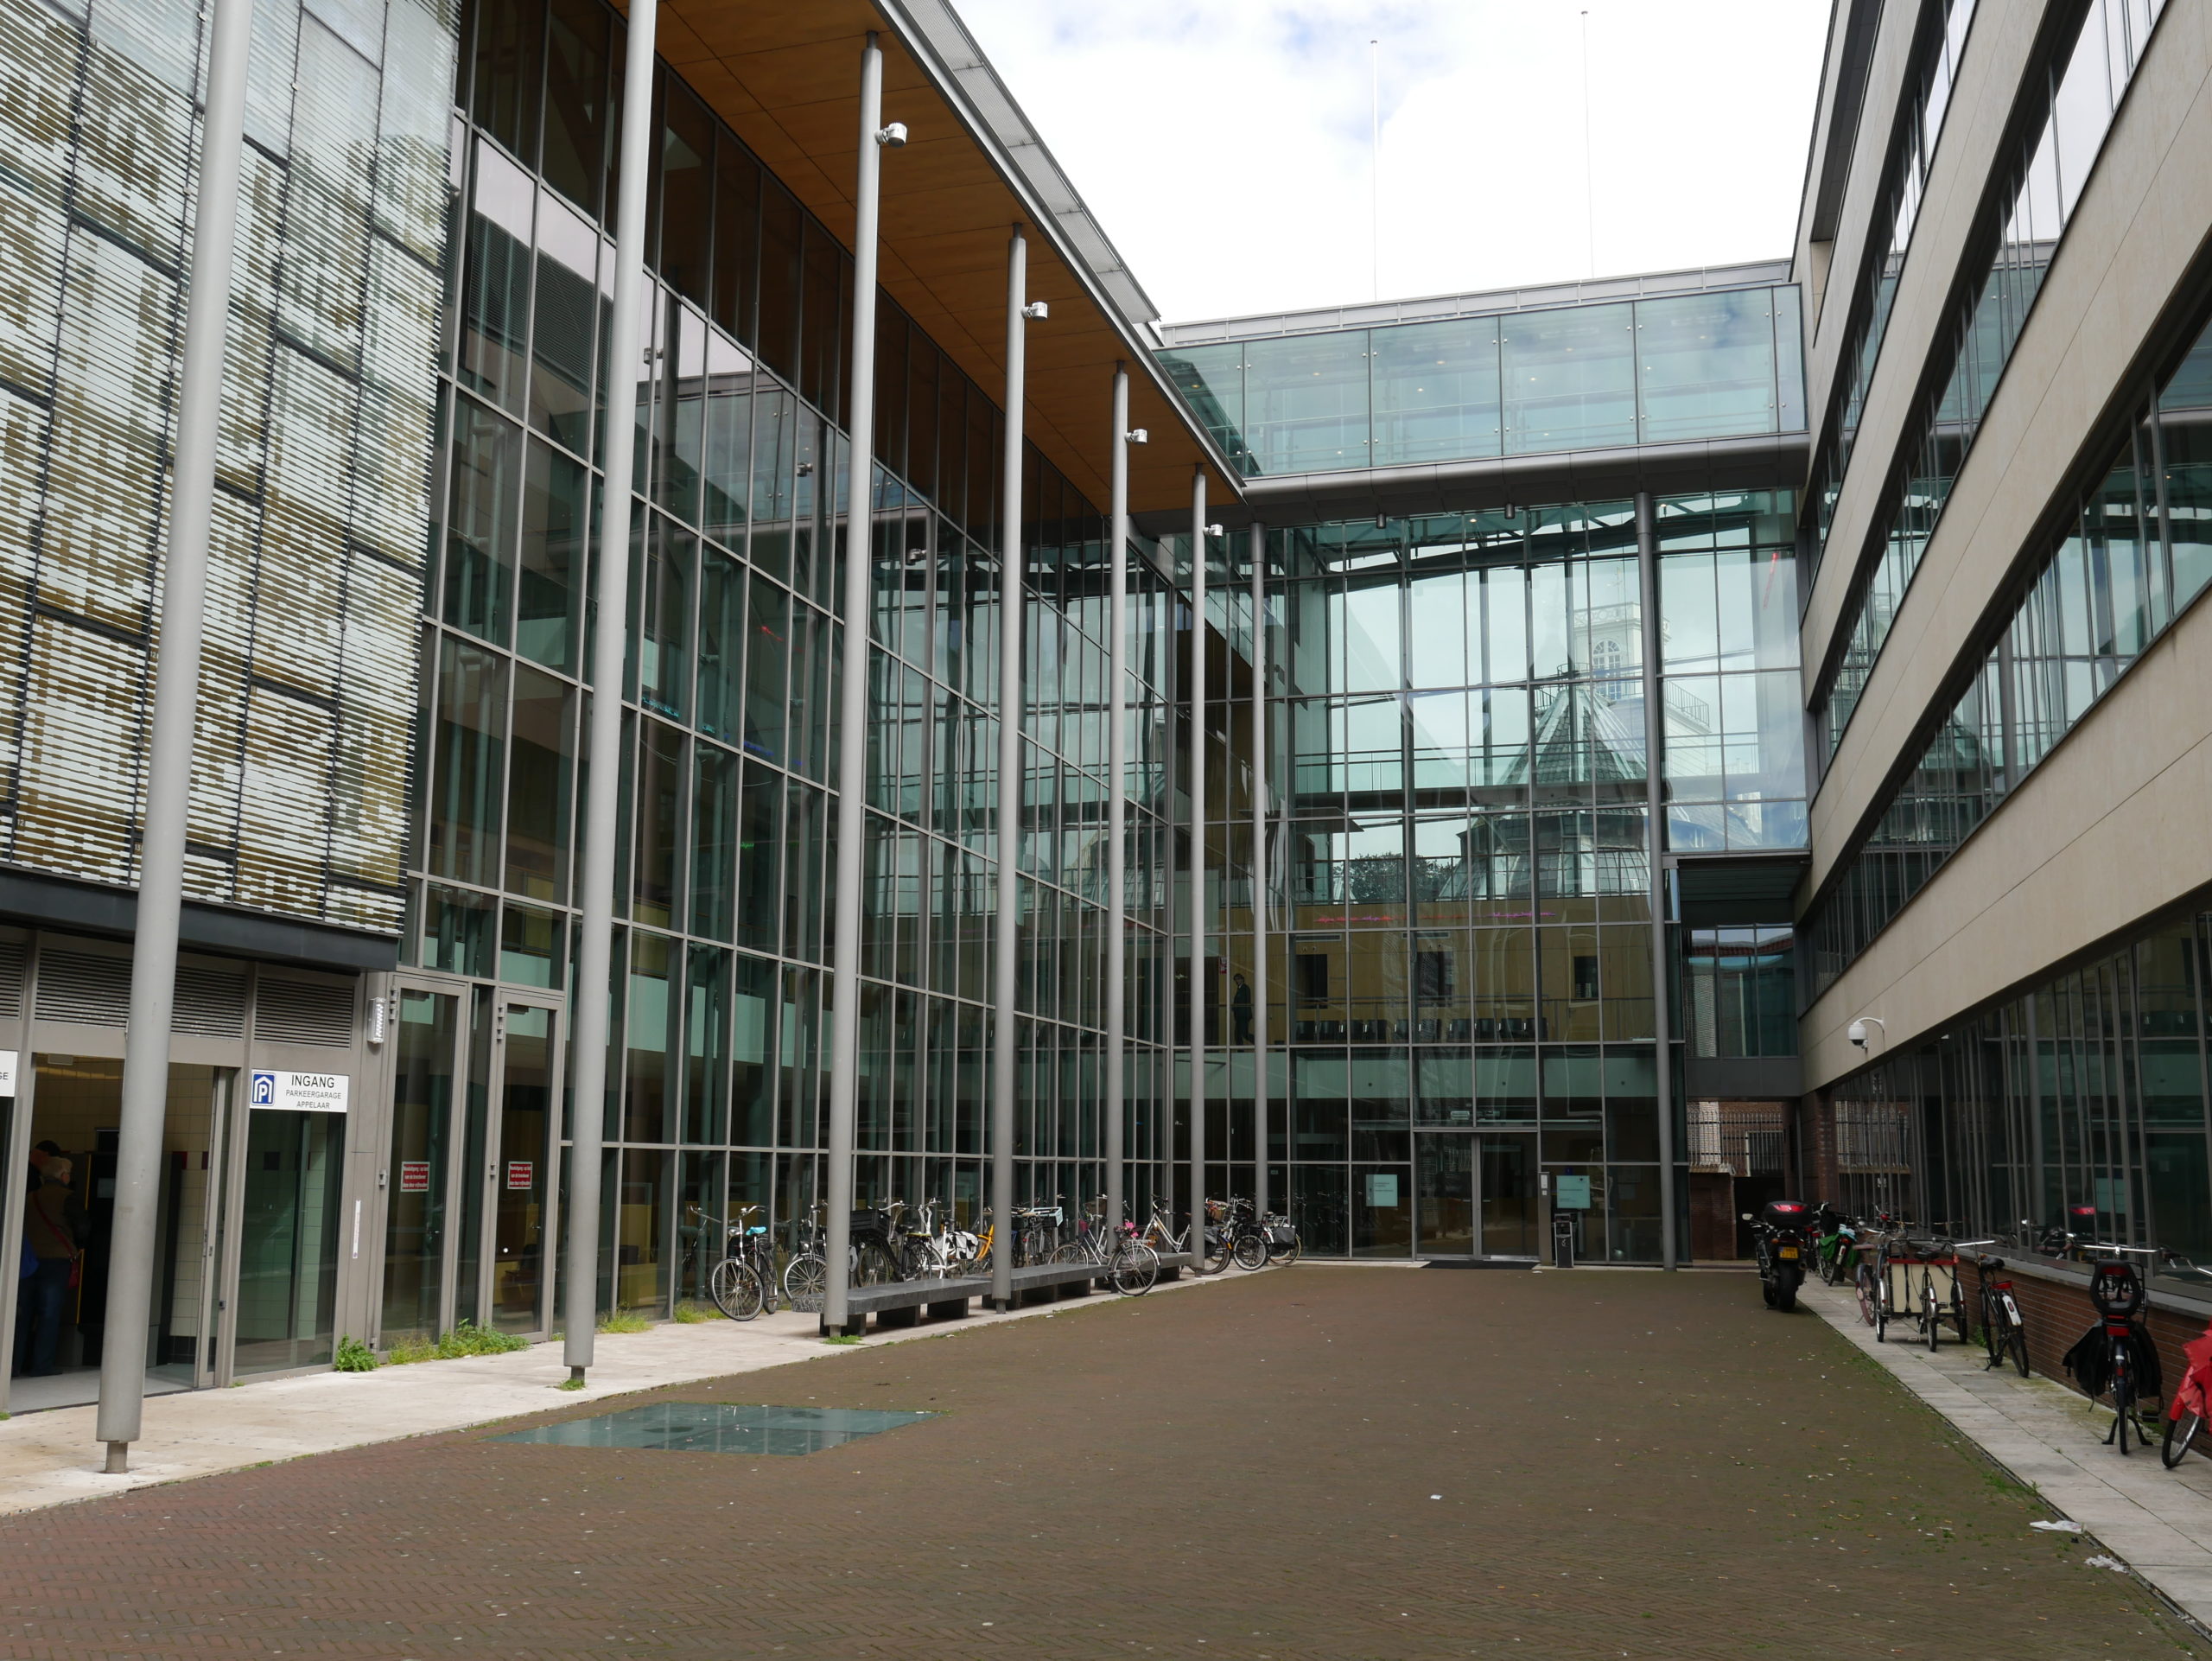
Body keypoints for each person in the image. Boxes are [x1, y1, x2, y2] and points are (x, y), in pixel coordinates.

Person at [14, 1153, 86, 1377]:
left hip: (27, 1261)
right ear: (63, 1175)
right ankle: (41, 1366)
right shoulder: (68, 1197)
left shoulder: (29, 1197)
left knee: (22, 1314)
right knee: (49, 1314)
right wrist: (79, 1246)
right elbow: (83, 1227)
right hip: (56, 1262)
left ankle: (13, 1365)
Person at [1230, 973, 1254, 1046]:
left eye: (1238, 979)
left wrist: (1235, 1006)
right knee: (1238, 1034)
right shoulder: (1240, 988)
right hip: (1240, 1015)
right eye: (1236, 979)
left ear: (1242, 979)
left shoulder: (1245, 988)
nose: (1237, 981)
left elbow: (1243, 1001)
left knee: (1243, 1033)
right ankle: (1240, 1050)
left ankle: (1259, 1043)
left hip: (1243, 1015)